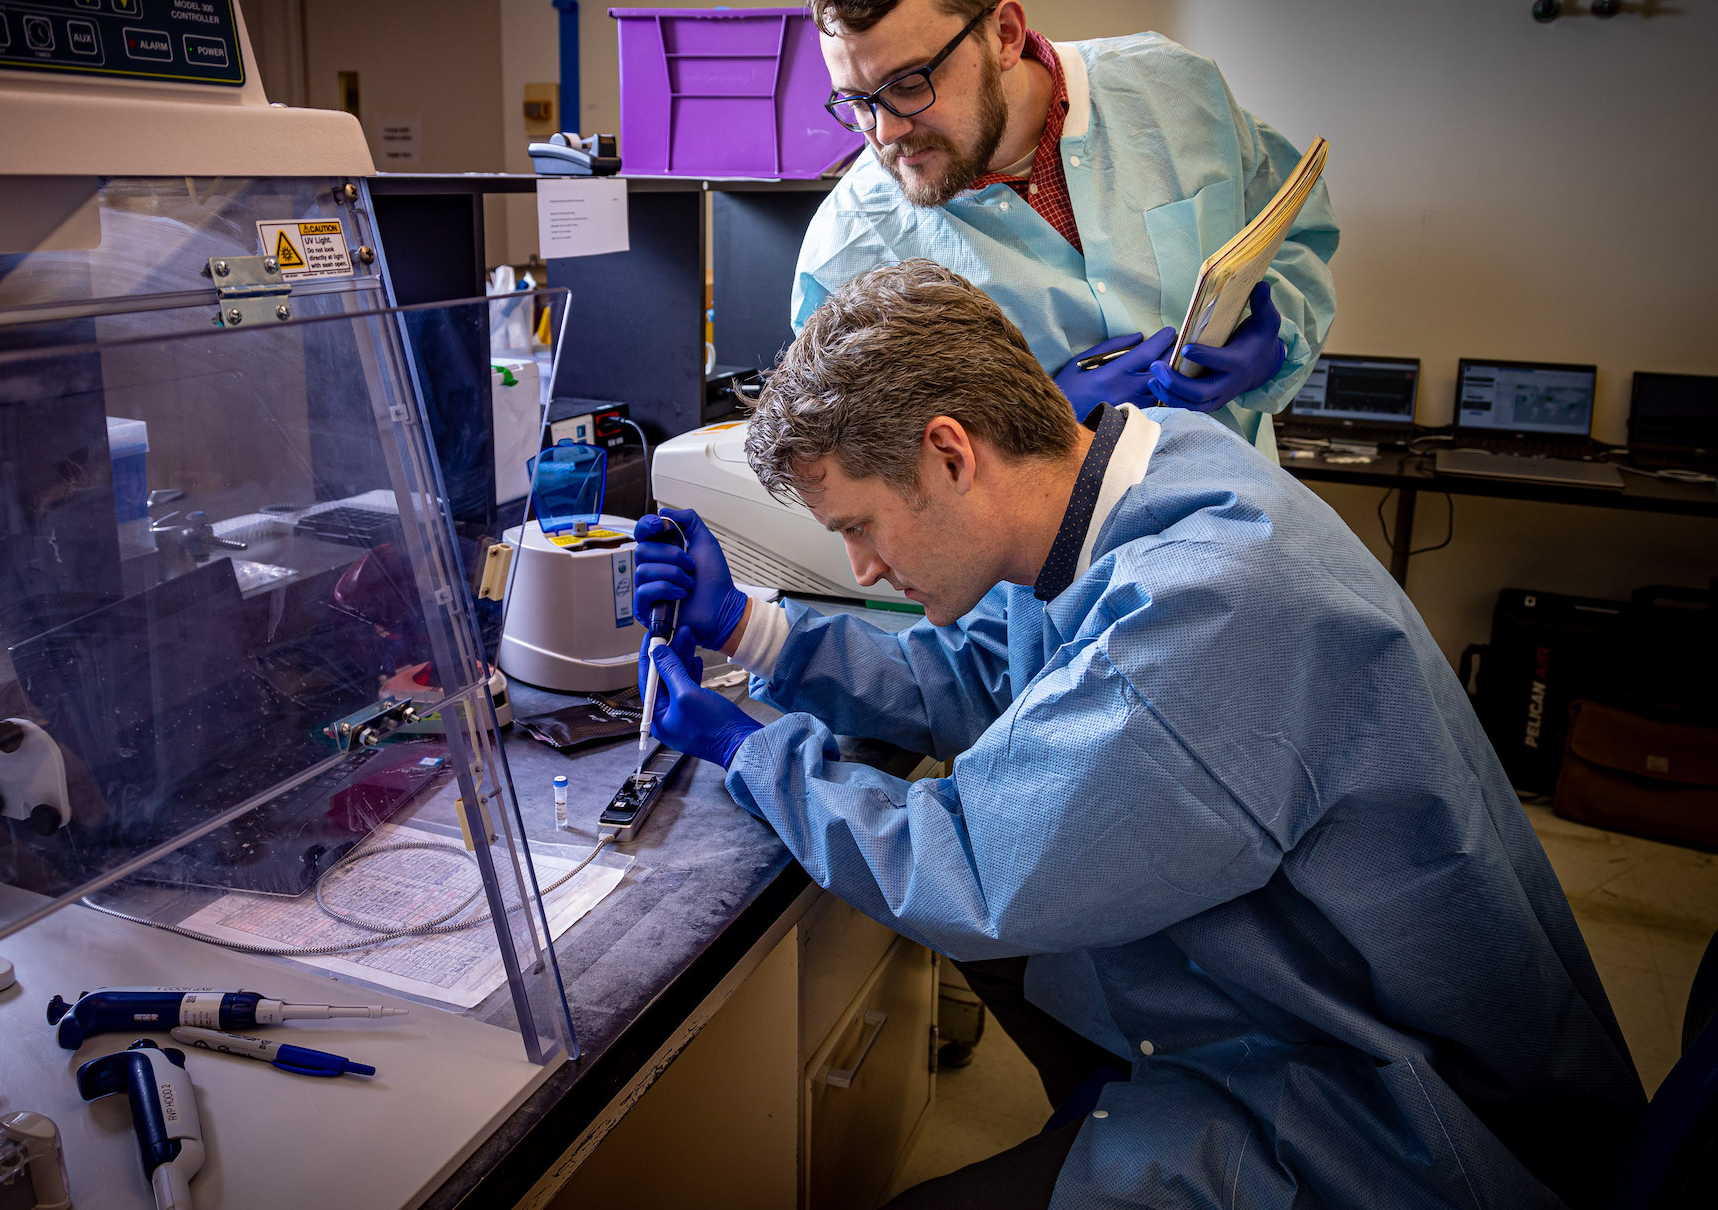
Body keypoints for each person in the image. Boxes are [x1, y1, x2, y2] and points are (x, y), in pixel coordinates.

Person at [632, 260, 1643, 1209]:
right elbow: (987, 673)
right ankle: (1102, 1117)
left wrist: (748, 750)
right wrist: (750, 629)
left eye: (857, 526)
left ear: (947, 450)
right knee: (1025, 976)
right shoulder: (1131, 477)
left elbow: (974, 870)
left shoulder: (1204, 608)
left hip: (1382, 1109)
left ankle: (1131, 1135)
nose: (856, 567)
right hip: (1294, 992)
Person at [795, 0, 1338, 461]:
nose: (884, 132)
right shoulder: (848, 255)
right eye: (858, 102)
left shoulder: (1176, 92)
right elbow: (862, 472)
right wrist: (1026, 427)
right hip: (1042, 551)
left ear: (1005, 33)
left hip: (1241, 516)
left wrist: (1275, 339)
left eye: (909, 85)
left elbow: (1295, 230)